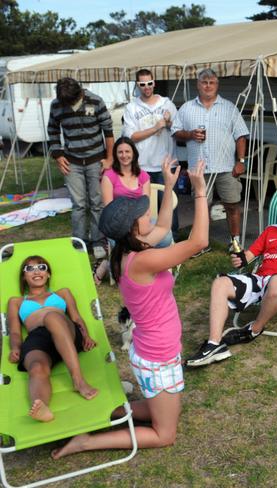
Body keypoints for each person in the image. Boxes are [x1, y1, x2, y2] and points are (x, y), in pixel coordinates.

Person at [51, 160, 208, 459]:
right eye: (141, 214)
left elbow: (162, 226)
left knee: (162, 408)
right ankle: (86, 442)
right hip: (157, 357)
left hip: (153, 351)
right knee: (165, 434)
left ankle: (104, 413)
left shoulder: (127, 250)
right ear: (134, 226)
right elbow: (198, 241)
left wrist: (170, 184)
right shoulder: (143, 261)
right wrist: (199, 192)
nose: (146, 214)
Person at [185, 191, 277, 367]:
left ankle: (254, 329)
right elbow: (249, 255)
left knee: (276, 281)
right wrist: (240, 259)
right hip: (258, 279)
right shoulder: (270, 231)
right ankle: (214, 344)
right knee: (220, 283)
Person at [7, 256, 97, 423]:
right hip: (38, 338)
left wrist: (86, 336)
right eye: (30, 269)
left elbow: (76, 318)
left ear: (48, 274)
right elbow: (14, 332)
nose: (36, 271)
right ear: (23, 277)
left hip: (66, 331)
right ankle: (42, 406)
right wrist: (15, 348)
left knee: (52, 318)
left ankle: (78, 381)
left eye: (41, 267)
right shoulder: (16, 302)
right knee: (36, 367)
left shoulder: (62, 293)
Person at [172, 68, 249, 254]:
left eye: (212, 82)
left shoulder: (229, 107)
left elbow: (241, 135)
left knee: (232, 205)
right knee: (201, 206)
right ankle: (201, 243)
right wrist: (190, 134)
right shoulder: (186, 108)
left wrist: (240, 160)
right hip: (198, 168)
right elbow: (175, 132)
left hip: (225, 166)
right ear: (198, 85)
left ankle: (235, 242)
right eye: (204, 82)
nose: (208, 86)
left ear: (217, 85)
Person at [48, 77, 114, 260]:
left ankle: (99, 242)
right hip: (72, 162)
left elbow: (108, 131)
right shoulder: (56, 105)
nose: (69, 105)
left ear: (79, 93)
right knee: (78, 205)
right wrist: (58, 155)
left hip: (96, 160)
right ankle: (79, 242)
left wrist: (109, 158)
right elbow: (52, 131)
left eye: (72, 101)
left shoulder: (96, 101)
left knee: (97, 203)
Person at [122, 68, 179, 237]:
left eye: (149, 83)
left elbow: (178, 129)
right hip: (142, 165)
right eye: (142, 84)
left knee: (168, 202)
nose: (147, 87)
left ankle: (172, 236)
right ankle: (146, 235)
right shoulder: (131, 108)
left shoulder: (167, 104)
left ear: (154, 83)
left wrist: (168, 122)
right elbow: (131, 137)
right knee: (143, 205)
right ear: (137, 85)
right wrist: (155, 128)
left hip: (166, 163)